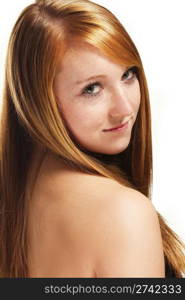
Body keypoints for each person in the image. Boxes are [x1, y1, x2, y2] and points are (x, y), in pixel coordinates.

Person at [0, 0, 184, 278]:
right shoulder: (121, 211)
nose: (125, 109)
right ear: (39, 102)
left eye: (128, 74)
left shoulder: (16, 201)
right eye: (92, 88)